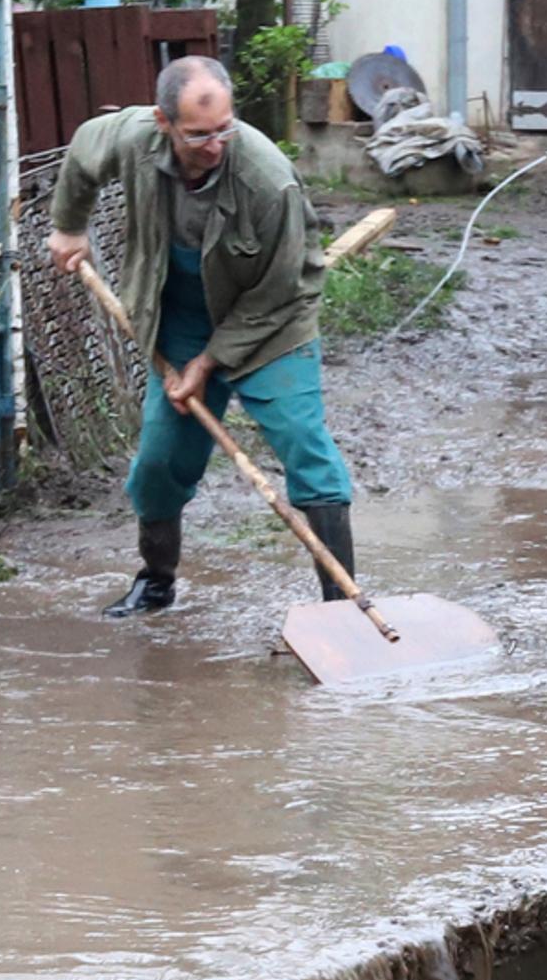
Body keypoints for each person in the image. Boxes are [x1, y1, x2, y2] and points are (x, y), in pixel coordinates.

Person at [45, 55, 354, 619]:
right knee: (158, 463)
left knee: (304, 447)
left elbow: (281, 290)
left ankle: (341, 606)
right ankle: (156, 583)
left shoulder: (268, 180)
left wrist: (208, 364)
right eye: (198, 135)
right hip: (182, 318)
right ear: (163, 122)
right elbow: (86, 148)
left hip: (272, 323)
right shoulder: (135, 138)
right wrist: (69, 226)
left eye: (224, 130)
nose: (215, 146)